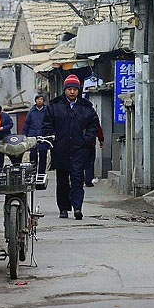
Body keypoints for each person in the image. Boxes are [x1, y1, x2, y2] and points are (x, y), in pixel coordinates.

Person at [41, 75, 99, 220]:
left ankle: (78, 207)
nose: (72, 92)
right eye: (69, 89)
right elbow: (47, 125)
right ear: (65, 90)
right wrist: (53, 137)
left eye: (75, 89)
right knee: (62, 180)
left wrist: (87, 139)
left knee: (78, 178)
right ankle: (63, 208)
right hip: (61, 148)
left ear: (78, 90)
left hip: (80, 149)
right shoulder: (54, 106)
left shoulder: (86, 107)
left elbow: (94, 125)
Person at [22, 94, 49, 175]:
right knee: (33, 155)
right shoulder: (31, 111)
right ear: (35, 101)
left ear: (43, 101)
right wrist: (24, 135)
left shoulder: (47, 111)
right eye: (38, 99)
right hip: (32, 135)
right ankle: (33, 173)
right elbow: (26, 124)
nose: (39, 101)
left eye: (41, 99)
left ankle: (41, 173)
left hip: (43, 136)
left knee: (43, 155)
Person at [84, 120, 103, 187]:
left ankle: (77, 181)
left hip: (78, 143)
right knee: (90, 162)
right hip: (90, 143)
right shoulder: (91, 114)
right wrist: (101, 140)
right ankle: (88, 181)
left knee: (78, 162)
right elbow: (98, 129)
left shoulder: (74, 112)